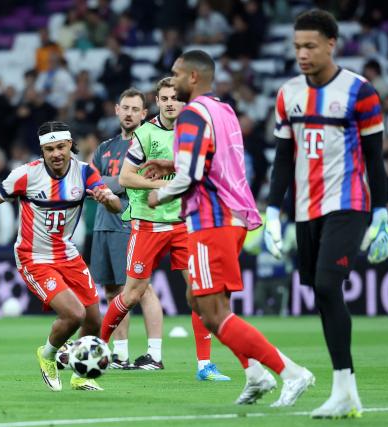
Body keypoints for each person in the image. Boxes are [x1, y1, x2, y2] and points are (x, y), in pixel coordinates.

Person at [142, 50, 314, 406]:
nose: (170, 81)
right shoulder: (223, 110)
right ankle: (254, 375)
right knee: (199, 301)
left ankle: (290, 372)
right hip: (234, 217)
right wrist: (168, 161)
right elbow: (213, 159)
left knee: (212, 310)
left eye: (175, 74)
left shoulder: (191, 115)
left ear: (192, 76)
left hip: (210, 219)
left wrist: (159, 194)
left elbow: (190, 176)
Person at [264, 10, 388, 418]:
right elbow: (284, 158)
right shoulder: (288, 94)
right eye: (297, 46)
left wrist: (381, 212)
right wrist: (271, 210)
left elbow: (375, 158)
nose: (302, 54)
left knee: (325, 284)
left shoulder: (360, 92)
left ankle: (343, 389)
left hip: (348, 203)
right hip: (306, 210)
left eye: (310, 46)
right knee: (321, 293)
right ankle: (347, 393)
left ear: (331, 44)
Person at [0, 121, 122, 392]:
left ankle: (80, 375)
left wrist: (106, 198)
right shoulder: (26, 175)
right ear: (42, 151)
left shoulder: (85, 173)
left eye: (61, 147)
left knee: (93, 319)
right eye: (49, 149)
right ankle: (48, 354)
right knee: (73, 314)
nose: (56, 154)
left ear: (70, 146)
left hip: (67, 254)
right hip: (34, 257)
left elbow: (116, 205)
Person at [101, 78, 230, 380]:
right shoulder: (145, 134)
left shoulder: (193, 132)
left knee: (200, 292)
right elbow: (126, 178)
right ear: (157, 102)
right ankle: (97, 345)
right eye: (164, 98)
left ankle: (204, 365)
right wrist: (162, 185)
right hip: (149, 222)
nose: (170, 103)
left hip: (185, 224)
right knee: (131, 294)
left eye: (175, 98)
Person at [90, 88, 164, 369]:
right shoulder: (105, 147)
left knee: (140, 289)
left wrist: (108, 183)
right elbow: (90, 181)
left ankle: (155, 354)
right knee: (112, 291)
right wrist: (111, 183)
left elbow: (126, 182)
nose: (130, 113)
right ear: (117, 110)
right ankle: (120, 356)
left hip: (131, 222)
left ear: (144, 114)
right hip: (102, 225)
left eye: (136, 109)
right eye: (126, 108)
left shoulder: (147, 143)